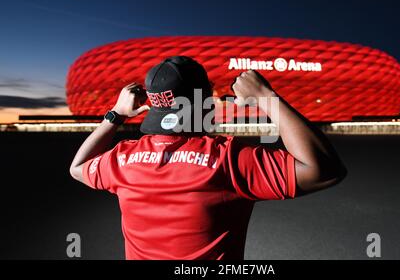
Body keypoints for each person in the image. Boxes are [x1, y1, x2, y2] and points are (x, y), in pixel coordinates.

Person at [69, 56, 347, 260]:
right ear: (202, 103)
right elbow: (324, 170)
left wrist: (115, 114)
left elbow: (78, 167)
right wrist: (266, 97)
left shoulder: (122, 158)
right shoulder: (227, 158)